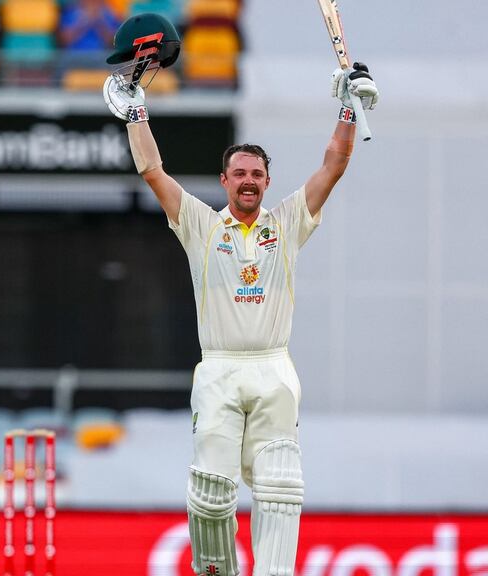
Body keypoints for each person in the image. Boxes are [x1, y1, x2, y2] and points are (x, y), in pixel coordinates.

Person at [104, 23, 380, 576]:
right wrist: (137, 113)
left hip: (274, 368)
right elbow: (153, 171)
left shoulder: (288, 221)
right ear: (225, 181)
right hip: (221, 371)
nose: (249, 181)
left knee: (279, 489)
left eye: (257, 173)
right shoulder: (201, 226)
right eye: (239, 174)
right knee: (209, 493)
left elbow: (333, 166)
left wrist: (349, 107)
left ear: (268, 180)